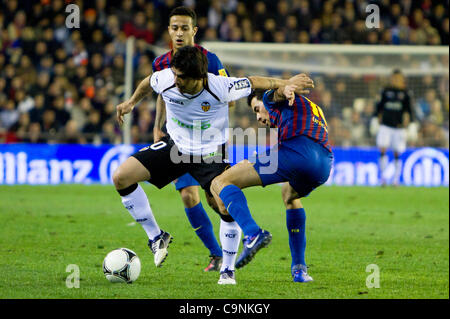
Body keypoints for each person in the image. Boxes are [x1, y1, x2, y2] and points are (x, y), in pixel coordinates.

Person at [114, 45, 314, 284]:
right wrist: (131, 102)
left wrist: (285, 83)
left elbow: (256, 82)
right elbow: (148, 82)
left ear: (199, 77)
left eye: (182, 78)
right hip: (175, 148)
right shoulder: (166, 77)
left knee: (224, 206)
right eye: (175, 75)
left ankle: (227, 270)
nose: (176, 80)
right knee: (121, 177)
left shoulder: (221, 86)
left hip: (211, 154)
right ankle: (156, 236)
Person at [210, 85, 333, 283]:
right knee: (289, 195)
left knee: (220, 181)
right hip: (324, 164)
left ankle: (252, 233)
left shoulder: (269, 97)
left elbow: (275, 93)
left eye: (257, 109)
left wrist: (283, 88)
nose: (258, 117)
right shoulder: (309, 106)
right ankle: (299, 269)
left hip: (297, 152)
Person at [152, 6, 233, 273]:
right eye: (174, 28)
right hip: (178, 139)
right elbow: (161, 94)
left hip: (210, 141)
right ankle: (216, 254)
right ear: (169, 30)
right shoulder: (161, 63)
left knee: (214, 198)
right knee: (188, 195)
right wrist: (157, 126)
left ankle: (234, 243)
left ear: (194, 31)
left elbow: (229, 100)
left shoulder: (211, 61)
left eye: (184, 28)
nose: (179, 33)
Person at [375, 69, 413, 186]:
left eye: (398, 78)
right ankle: (383, 178)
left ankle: (396, 180)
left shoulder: (406, 93)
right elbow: (379, 108)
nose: (396, 80)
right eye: (394, 78)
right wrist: (377, 119)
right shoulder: (385, 91)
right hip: (385, 126)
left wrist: (409, 124)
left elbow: (408, 111)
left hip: (399, 127)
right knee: (382, 149)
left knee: (397, 152)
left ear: (402, 79)